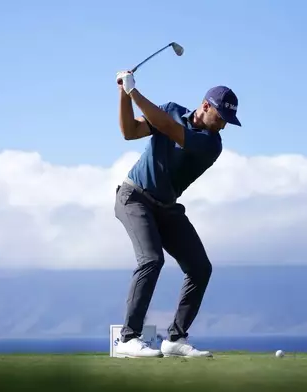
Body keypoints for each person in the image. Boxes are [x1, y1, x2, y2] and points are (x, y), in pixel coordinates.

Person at [112, 70, 241, 358]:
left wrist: (135, 93)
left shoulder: (211, 144)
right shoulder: (170, 110)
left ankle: (175, 339)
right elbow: (129, 132)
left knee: (200, 268)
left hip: (167, 208)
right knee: (152, 259)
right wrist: (124, 93)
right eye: (220, 118)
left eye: (227, 122)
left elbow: (170, 129)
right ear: (205, 106)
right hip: (134, 197)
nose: (222, 126)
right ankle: (128, 339)